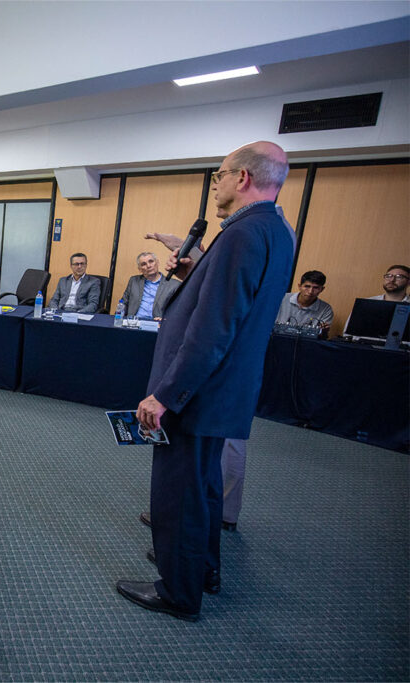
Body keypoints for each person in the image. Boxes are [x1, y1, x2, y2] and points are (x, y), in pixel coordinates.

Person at [118, 141, 295, 622]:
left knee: (178, 491)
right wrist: (197, 274)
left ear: (242, 179)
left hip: (198, 391)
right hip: (227, 389)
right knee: (204, 487)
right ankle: (203, 570)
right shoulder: (276, 229)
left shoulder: (240, 234)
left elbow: (213, 329)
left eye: (219, 174)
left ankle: (178, 590)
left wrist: (165, 395)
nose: (215, 183)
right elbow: (239, 302)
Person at [120, 252, 180, 320]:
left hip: (157, 323)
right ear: (139, 269)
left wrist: (166, 319)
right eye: (143, 264)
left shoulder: (174, 285)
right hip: (133, 322)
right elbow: (123, 303)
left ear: (157, 263)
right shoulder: (134, 281)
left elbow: (178, 310)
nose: (148, 266)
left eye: (151, 261)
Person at [276, 270, 333, 335]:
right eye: (307, 286)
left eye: (316, 288)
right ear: (299, 286)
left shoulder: (326, 309)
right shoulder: (281, 298)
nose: (310, 291)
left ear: (322, 289)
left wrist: (323, 331)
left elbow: (321, 336)